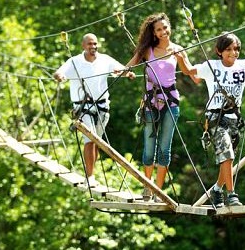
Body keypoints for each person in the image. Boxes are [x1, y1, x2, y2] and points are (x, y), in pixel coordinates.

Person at [174, 31, 245, 207]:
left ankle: (217, 189)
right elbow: (188, 71)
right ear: (219, 51)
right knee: (227, 154)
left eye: (236, 49)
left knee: (228, 159)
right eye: (228, 49)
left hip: (234, 119)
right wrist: (180, 58)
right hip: (215, 117)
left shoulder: (244, 66)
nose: (233, 53)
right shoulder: (211, 66)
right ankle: (231, 194)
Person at [126, 13, 198, 202]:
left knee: (164, 149)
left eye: (165, 28)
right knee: (149, 147)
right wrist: (124, 72)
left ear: (169, 28)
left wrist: (212, 71)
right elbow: (128, 66)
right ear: (154, 33)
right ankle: (147, 187)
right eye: (159, 29)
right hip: (151, 102)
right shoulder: (147, 50)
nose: (163, 31)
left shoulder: (178, 50)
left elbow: (191, 73)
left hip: (171, 102)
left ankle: (158, 190)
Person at [54, 33, 135, 187]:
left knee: (96, 142)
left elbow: (119, 70)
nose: (93, 47)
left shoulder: (105, 59)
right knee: (90, 139)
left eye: (95, 44)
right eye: (90, 44)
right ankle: (89, 176)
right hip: (83, 108)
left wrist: (128, 73)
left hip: (103, 107)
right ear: (83, 46)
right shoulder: (74, 61)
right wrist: (60, 77)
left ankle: (92, 174)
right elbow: (59, 72)